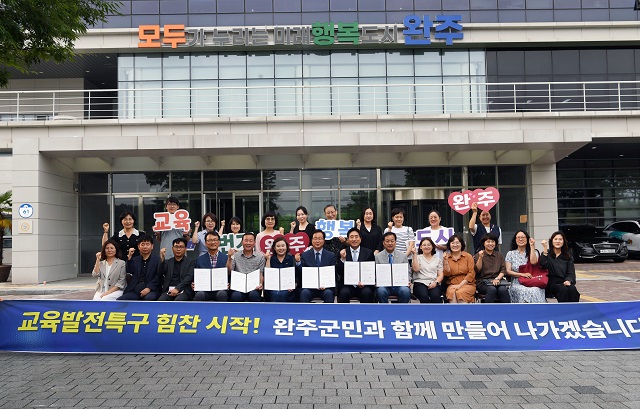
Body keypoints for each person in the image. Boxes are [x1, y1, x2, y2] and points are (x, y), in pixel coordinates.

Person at [505, 231, 546, 303]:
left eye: (523, 237)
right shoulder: (510, 254)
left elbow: (533, 262)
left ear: (527, 239)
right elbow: (508, 271)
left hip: (532, 280)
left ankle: (538, 309)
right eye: (518, 237)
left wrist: (532, 246)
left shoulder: (534, 252)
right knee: (526, 290)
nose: (521, 239)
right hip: (517, 282)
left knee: (535, 290)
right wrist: (522, 274)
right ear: (515, 240)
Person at [337, 227, 376, 303]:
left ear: (360, 239)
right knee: (344, 293)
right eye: (351, 237)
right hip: (347, 285)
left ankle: (366, 311)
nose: (354, 239)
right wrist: (343, 259)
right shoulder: (343, 252)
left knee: (367, 293)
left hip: (364, 285)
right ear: (348, 239)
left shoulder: (368, 253)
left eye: (356, 237)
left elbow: (371, 271)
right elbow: (339, 272)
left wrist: (365, 282)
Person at [117, 235, 161, 301]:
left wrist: (149, 288)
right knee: (121, 300)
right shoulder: (135, 259)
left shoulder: (158, 260)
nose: (145, 246)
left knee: (149, 298)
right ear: (138, 247)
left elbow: (159, 276)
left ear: (152, 246)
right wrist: (129, 257)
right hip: (135, 289)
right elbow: (129, 271)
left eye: (147, 244)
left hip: (151, 289)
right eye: (142, 244)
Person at [540, 231, 580, 302]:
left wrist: (569, 281)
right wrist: (545, 248)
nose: (558, 241)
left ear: (563, 241)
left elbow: (571, 273)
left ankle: (574, 308)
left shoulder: (568, 256)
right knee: (562, 290)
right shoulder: (547, 254)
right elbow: (543, 265)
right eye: (555, 239)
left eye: (560, 239)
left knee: (572, 289)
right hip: (550, 283)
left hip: (563, 281)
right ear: (551, 241)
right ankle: (564, 308)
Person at [299, 229, 337, 303]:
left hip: (325, 287)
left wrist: (326, 284)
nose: (317, 241)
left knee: (329, 293)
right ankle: (305, 311)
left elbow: (333, 272)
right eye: (315, 238)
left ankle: (328, 311)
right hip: (310, 287)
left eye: (320, 239)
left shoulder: (330, 255)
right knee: (304, 293)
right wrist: (298, 262)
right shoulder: (305, 255)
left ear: (324, 240)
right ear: (311, 240)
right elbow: (301, 272)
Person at [226, 232, 264, 302]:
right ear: (242, 242)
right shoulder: (236, 255)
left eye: (251, 241)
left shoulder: (260, 257)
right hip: (238, 287)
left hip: (253, 287)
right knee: (236, 296)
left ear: (254, 243)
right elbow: (229, 271)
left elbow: (260, 273)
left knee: (254, 295)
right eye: (246, 240)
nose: (248, 243)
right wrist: (229, 257)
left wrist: (260, 284)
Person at [374, 232, 411, 303]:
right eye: (387, 241)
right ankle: (385, 309)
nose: (390, 243)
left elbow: (408, 271)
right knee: (380, 291)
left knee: (405, 291)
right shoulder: (378, 256)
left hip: (399, 285)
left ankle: (401, 309)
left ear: (395, 242)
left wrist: (408, 280)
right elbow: (375, 272)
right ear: (383, 243)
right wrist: (376, 281)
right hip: (384, 285)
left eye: (392, 241)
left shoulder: (403, 256)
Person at [474, 233, 510, 303]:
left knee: (503, 290)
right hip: (482, 282)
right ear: (483, 243)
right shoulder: (478, 255)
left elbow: (503, 269)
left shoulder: (499, 255)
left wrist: (497, 279)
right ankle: (488, 309)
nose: (490, 244)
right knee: (492, 289)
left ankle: (506, 309)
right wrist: (480, 258)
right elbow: (477, 270)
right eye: (488, 242)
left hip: (498, 280)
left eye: (493, 242)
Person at [193, 231, 229, 302]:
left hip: (220, 289)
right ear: (205, 243)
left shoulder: (226, 258)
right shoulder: (199, 259)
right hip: (204, 290)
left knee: (222, 294)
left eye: (215, 240)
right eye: (209, 240)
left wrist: (229, 284)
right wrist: (194, 283)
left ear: (219, 242)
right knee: (199, 295)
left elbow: (230, 274)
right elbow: (195, 275)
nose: (212, 242)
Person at [443, 234, 476, 303]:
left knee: (460, 292)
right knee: (452, 293)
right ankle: (454, 310)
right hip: (452, 284)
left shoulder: (468, 256)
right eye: (453, 243)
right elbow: (447, 273)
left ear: (461, 244)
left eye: (457, 243)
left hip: (467, 284)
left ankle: (463, 310)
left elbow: (471, 273)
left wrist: (460, 285)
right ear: (449, 245)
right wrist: (445, 261)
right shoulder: (447, 257)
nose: (455, 245)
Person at [265, 236, 299, 302]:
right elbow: (268, 274)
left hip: (288, 287)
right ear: (274, 248)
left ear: (286, 247)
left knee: (284, 294)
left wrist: (294, 285)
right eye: (278, 246)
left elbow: (296, 275)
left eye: (283, 246)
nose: (281, 248)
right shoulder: (271, 259)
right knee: (274, 294)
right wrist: (268, 259)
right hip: (274, 287)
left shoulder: (292, 259)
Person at [410, 237, 443, 303]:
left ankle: (437, 310)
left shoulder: (437, 259)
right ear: (420, 247)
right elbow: (416, 269)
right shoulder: (417, 257)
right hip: (420, 282)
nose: (426, 247)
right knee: (423, 296)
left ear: (432, 247)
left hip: (433, 282)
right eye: (424, 245)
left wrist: (436, 283)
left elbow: (440, 275)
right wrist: (415, 254)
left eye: (429, 245)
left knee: (435, 296)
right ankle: (425, 310)